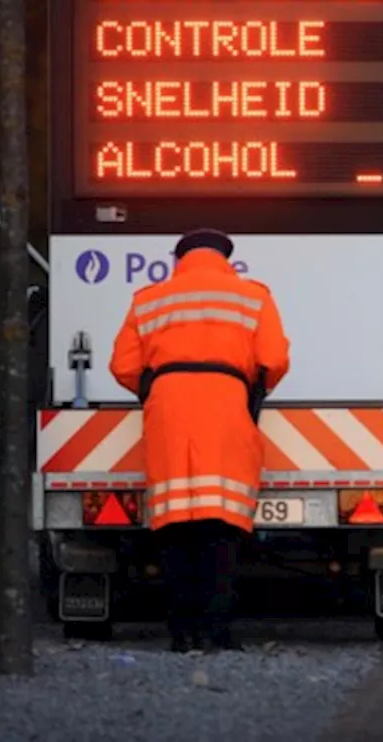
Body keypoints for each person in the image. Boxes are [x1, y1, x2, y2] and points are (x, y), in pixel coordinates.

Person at [109, 228, 290, 653]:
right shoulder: (252, 296)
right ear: (226, 259)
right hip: (226, 401)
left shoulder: (149, 299)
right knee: (221, 523)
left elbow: (123, 365)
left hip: (167, 407)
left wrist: (155, 387)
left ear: (179, 259)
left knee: (175, 526)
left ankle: (181, 632)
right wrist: (252, 388)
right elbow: (275, 359)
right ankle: (217, 630)